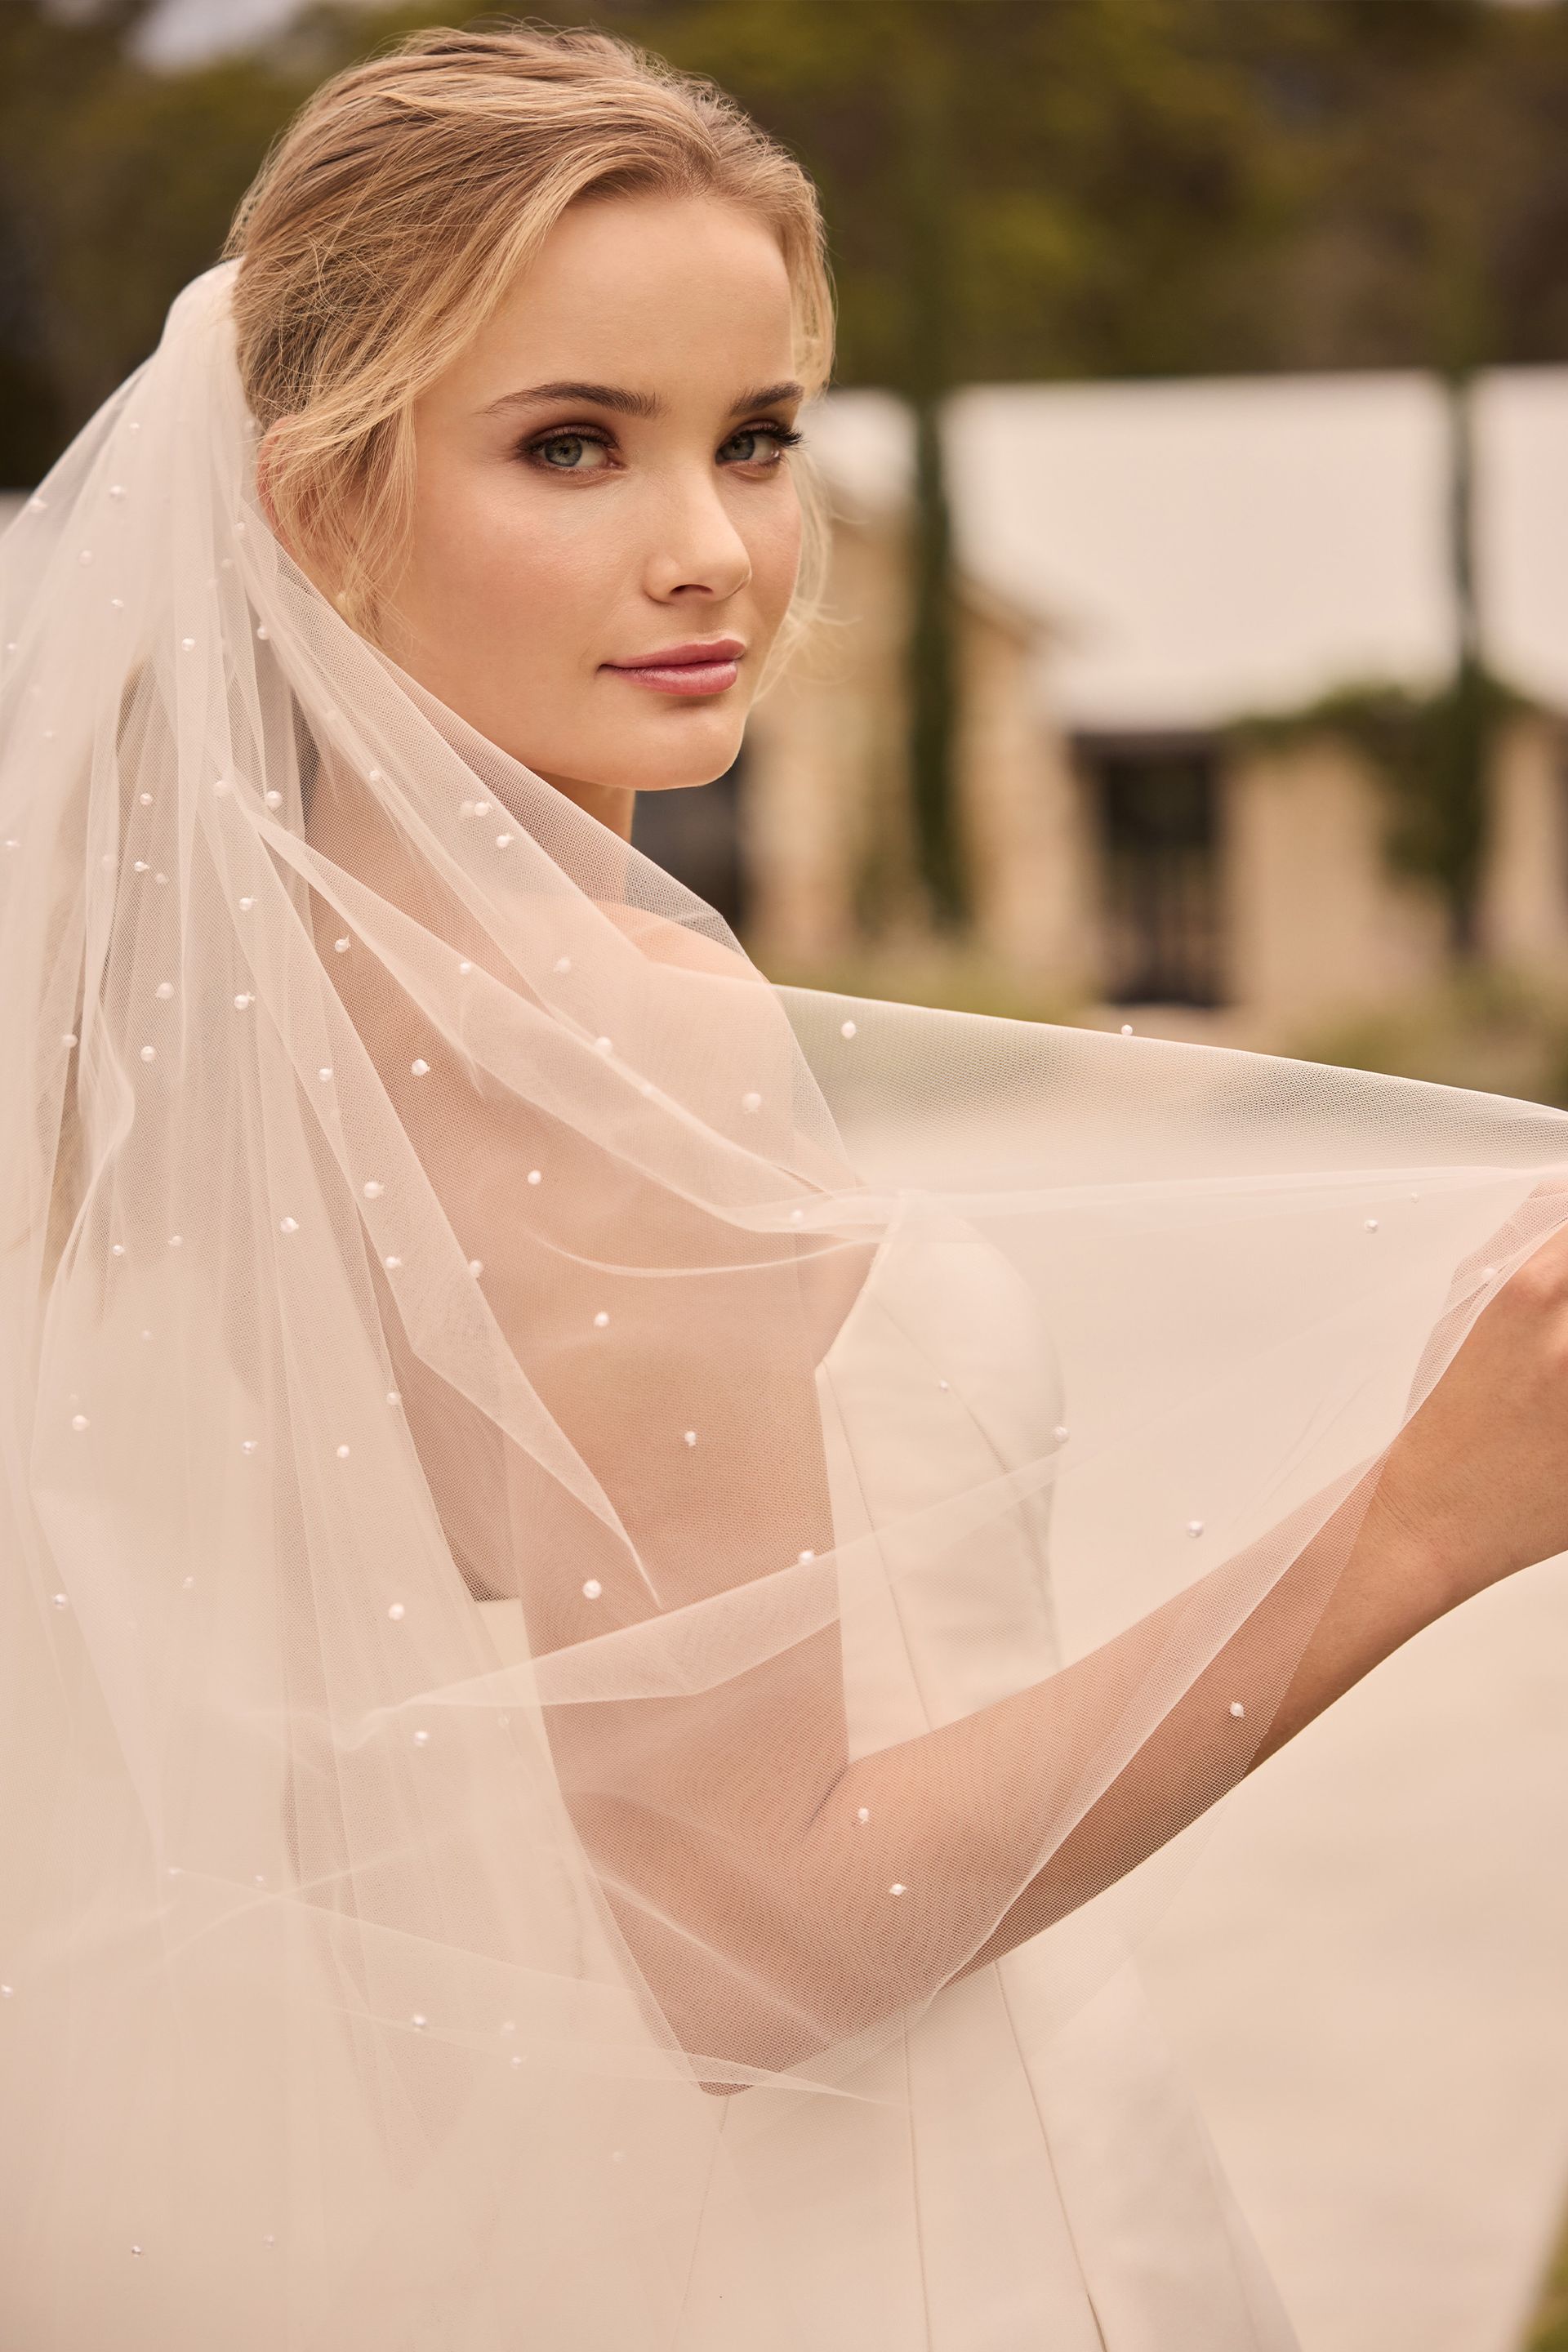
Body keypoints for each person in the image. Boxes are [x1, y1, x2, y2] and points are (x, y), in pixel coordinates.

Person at [2, 23, 1567, 2350]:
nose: (711, 548)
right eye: (571, 445)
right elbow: (747, 1934)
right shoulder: (600, 1020)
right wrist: (1426, 1518)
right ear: (315, 497)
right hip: (795, 2245)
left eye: (757, 439)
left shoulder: (162, 1014)